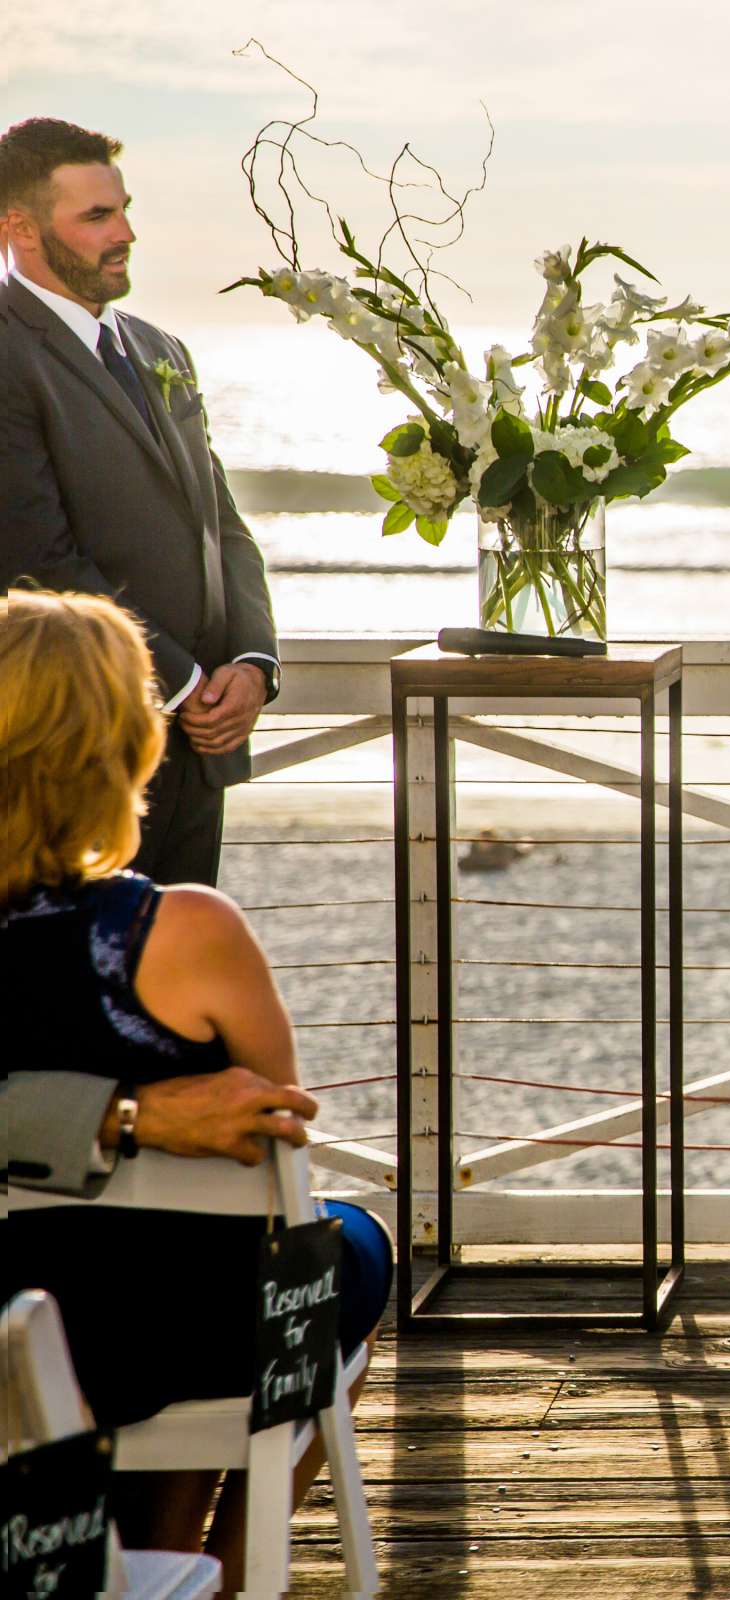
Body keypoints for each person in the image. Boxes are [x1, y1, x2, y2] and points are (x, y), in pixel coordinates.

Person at [0, 590, 390, 1589]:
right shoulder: (190, 932)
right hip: (169, 1333)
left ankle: (167, 1560)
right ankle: (227, 1564)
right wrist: (136, 1118)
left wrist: (106, 1122)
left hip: (16, 1336)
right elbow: (277, 1149)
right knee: (348, 1246)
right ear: (127, 742)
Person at [0, 117, 280, 888]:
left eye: (123, 209)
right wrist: (184, 681)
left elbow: (220, 525)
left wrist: (252, 667)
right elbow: (37, 562)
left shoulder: (160, 349)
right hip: (79, 744)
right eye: (96, 217)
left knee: (177, 990)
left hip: (203, 745)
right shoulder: (6, 352)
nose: (124, 233)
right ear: (17, 228)